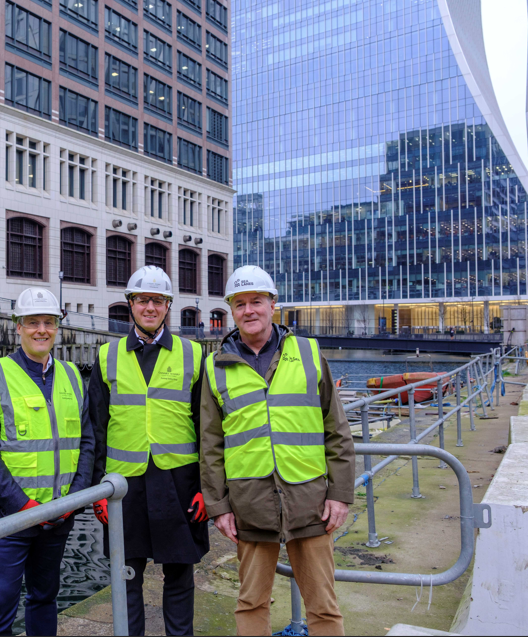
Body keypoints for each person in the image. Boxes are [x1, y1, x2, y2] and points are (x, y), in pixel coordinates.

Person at [199, 265, 355, 636]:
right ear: (231, 311)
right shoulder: (215, 367)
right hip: (250, 504)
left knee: (323, 606)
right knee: (251, 603)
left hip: (311, 501)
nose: (249, 310)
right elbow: (210, 445)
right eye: (240, 304)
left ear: (273, 304)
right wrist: (219, 507)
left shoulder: (308, 353)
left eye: (257, 301)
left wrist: (340, 495)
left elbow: (336, 429)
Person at [88, 265, 209, 636]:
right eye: (143, 300)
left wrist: (208, 488)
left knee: (180, 575)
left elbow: (208, 428)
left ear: (168, 305)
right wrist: (96, 490)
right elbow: (95, 429)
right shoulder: (107, 356)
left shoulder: (194, 354)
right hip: (124, 487)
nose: (150, 307)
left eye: (158, 300)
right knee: (126, 575)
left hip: (180, 483)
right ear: (131, 304)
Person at [0, 287, 95, 636]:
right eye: (33, 322)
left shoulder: (72, 375)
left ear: (58, 327)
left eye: (49, 322)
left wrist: (74, 500)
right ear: (19, 327)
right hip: (7, 518)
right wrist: (23, 507)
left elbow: (87, 442)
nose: (42, 330)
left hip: (58, 516)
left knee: (44, 598)